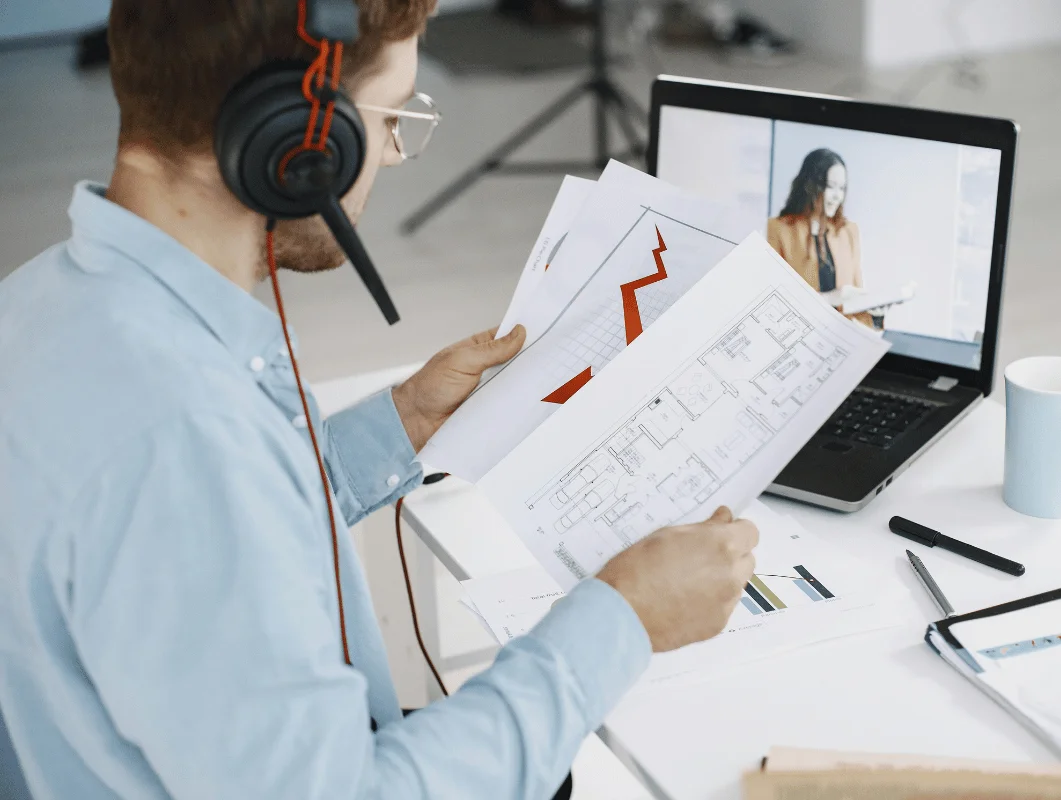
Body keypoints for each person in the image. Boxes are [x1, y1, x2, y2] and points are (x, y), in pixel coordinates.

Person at [0, 2, 759, 799]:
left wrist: (403, 421)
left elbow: (190, 554)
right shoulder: (185, 441)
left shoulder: (40, 306)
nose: (395, 155)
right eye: (391, 118)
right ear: (299, 137)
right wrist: (625, 617)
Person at [767, 148, 875, 328]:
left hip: (844, 337)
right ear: (810, 186)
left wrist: (875, 314)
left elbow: (857, 297)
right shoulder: (778, 229)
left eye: (842, 188)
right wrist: (831, 297)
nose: (837, 197)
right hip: (797, 338)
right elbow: (773, 301)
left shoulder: (849, 231)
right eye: (831, 186)